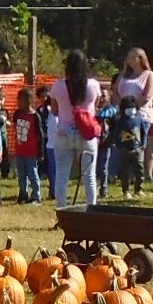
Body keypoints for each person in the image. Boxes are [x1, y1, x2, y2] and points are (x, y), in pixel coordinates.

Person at [49, 49, 102, 206]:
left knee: (62, 176)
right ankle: (91, 212)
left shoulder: (58, 86)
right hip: (86, 133)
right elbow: (96, 106)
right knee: (89, 176)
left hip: (64, 132)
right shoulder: (93, 85)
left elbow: (54, 110)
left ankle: (62, 211)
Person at [113, 47, 153, 186]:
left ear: (141, 59)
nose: (130, 60)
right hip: (122, 116)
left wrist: (132, 107)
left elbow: (148, 95)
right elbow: (115, 92)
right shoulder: (123, 75)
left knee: (136, 147)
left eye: (134, 57)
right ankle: (123, 176)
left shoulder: (148, 75)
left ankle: (138, 178)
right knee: (123, 145)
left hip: (140, 115)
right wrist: (121, 106)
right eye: (129, 57)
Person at [10, 86, 43, 203]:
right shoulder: (17, 114)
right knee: (21, 174)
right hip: (20, 151)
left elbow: (40, 135)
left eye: (21, 100)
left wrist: (40, 152)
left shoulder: (35, 116)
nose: (19, 103)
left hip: (31, 152)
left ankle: (36, 195)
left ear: (29, 101)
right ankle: (23, 194)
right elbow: (15, 129)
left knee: (32, 173)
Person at [108, 98, 145, 197]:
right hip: (124, 150)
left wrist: (143, 145)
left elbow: (143, 132)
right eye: (128, 107)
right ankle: (126, 191)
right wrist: (119, 146)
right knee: (125, 172)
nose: (131, 109)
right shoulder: (120, 120)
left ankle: (138, 189)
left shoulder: (139, 119)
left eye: (133, 107)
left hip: (137, 149)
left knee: (139, 171)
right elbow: (116, 134)